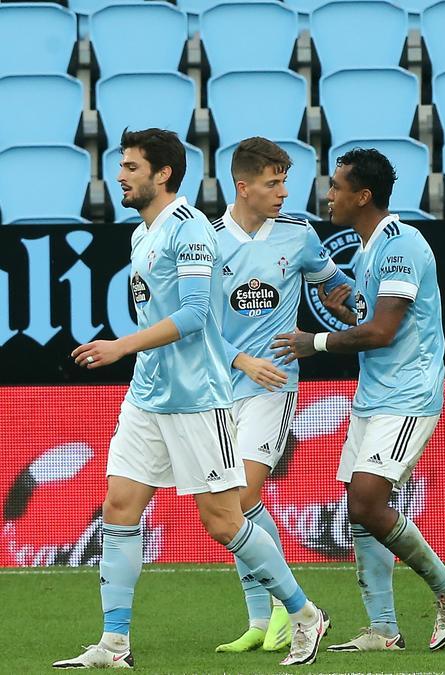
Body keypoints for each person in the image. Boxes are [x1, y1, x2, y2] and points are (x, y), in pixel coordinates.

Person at [58, 128, 328, 669]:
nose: (120, 176)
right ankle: (113, 644)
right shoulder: (143, 234)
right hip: (147, 396)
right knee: (119, 508)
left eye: (131, 167)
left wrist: (121, 347)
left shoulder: (191, 232)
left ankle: (304, 615)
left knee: (224, 522)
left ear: (163, 174)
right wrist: (134, 359)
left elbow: (194, 315)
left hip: (198, 399)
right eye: (122, 165)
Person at [271, 147, 445, 652]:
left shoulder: (401, 244)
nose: (329, 194)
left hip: (407, 396)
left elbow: (383, 332)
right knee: (360, 508)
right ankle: (383, 628)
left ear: (363, 195)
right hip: (375, 395)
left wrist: (312, 342)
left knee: (366, 500)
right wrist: (344, 316)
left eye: (337, 186)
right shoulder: (365, 252)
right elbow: (373, 325)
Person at [211, 137, 354, 653]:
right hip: (221, 387)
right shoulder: (208, 241)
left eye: (284, 182)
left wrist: (346, 311)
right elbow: (197, 320)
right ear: (243, 187)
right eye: (273, 183)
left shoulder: (298, 235)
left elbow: (334, 285)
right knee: (230, 505)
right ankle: (260, 618)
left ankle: (287, 608)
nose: (283, 192)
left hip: (274, 386)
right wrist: (239, 358)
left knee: (243, 497)